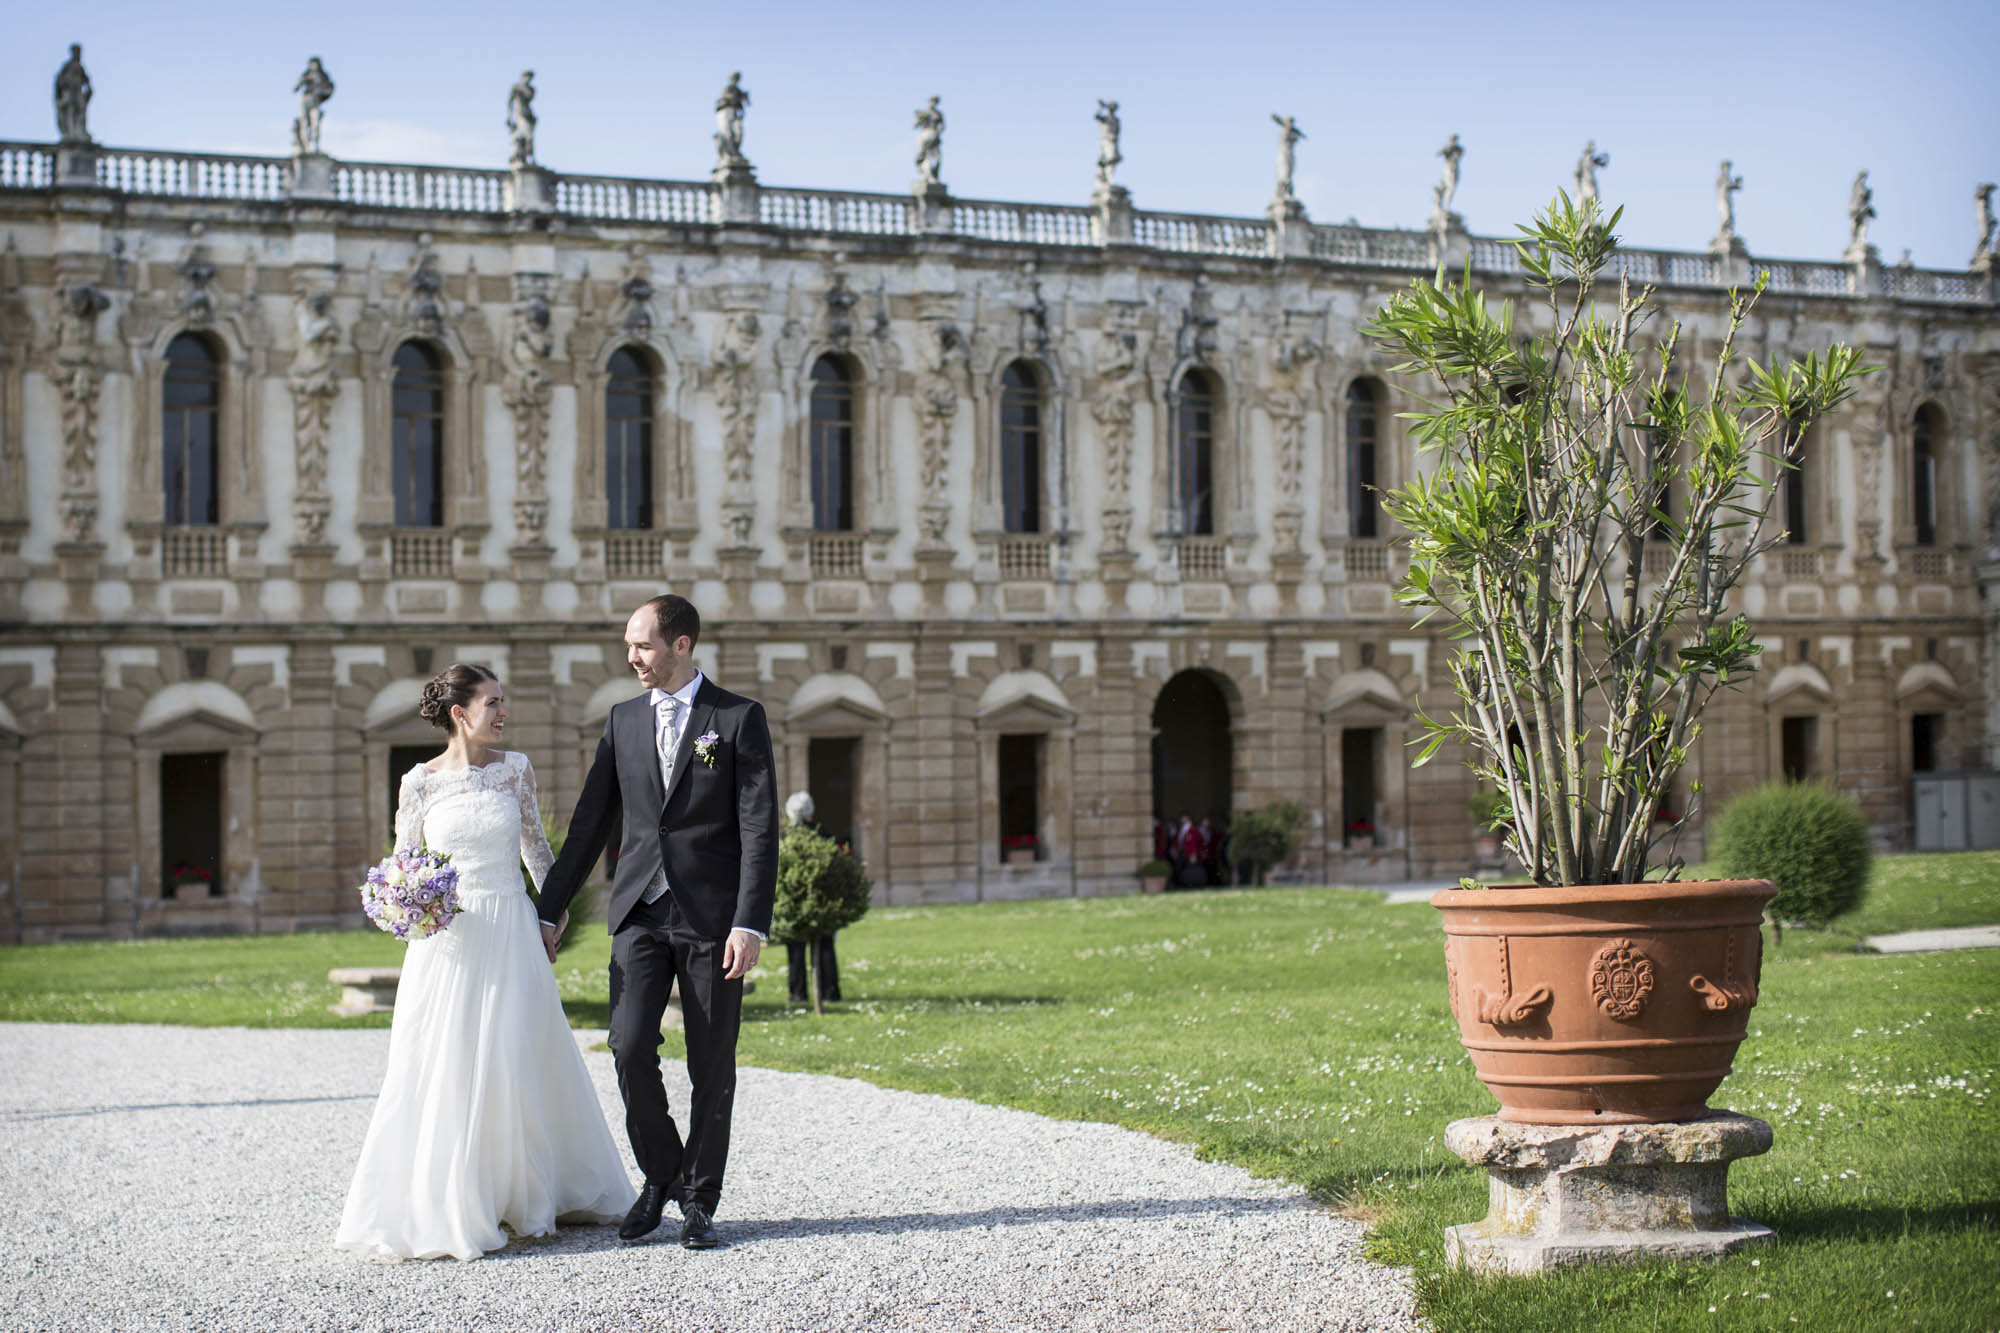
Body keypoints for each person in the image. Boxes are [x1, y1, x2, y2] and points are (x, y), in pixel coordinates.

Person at [336, 663, 633, 1261]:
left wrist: (553, 913)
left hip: (510, 927)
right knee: (443, 1058)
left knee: (518, 1052)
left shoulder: (514, 771)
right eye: (492, 702)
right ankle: (451, 1200)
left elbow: (537, 851)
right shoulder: (418, 783)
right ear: (459, 714)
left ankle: (528, 1191)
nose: (503, 712)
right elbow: (405, 861)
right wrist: (405, 902)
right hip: (446, 940)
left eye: (504, 701)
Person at [537, 594, 778, 1250]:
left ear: (681, 645)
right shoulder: (621, 722)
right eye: (628, 646)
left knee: (710, 1062)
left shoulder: (736, 719)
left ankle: (700, 1199)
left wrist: (749, 921)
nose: (631, 657)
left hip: (712, 918)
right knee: (627, 1042)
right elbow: (591, 823)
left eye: (642, 645)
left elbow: (759, 827)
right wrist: (547, 908)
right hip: (640, 912)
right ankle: (661, 1171)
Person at [781, 790, 841, 1005]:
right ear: (811, 813)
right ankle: (830, 992)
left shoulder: (783, 839)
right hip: (821, 902)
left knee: (795, 952)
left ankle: (797, 994)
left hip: (793, 903)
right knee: (825, 948)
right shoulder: (823, 836)